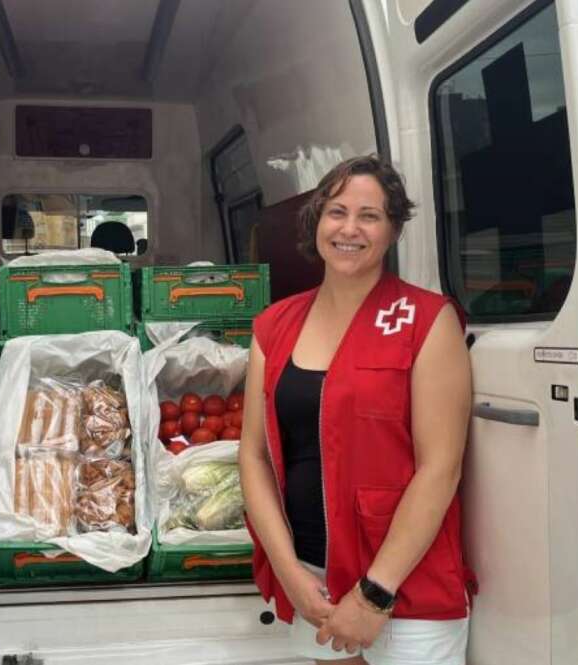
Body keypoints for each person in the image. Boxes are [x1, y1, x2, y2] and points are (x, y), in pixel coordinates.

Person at [238, 155, 474, 665]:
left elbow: (441, 469)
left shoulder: (427, 321)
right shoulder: (273, 326)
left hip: (404, 585)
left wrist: (375, 594)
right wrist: (289, 573)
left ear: (392, 230)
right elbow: (254, 457)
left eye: (370, 215)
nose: (350, 229)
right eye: (337, 211)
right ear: (317, 221)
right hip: (312, 579)